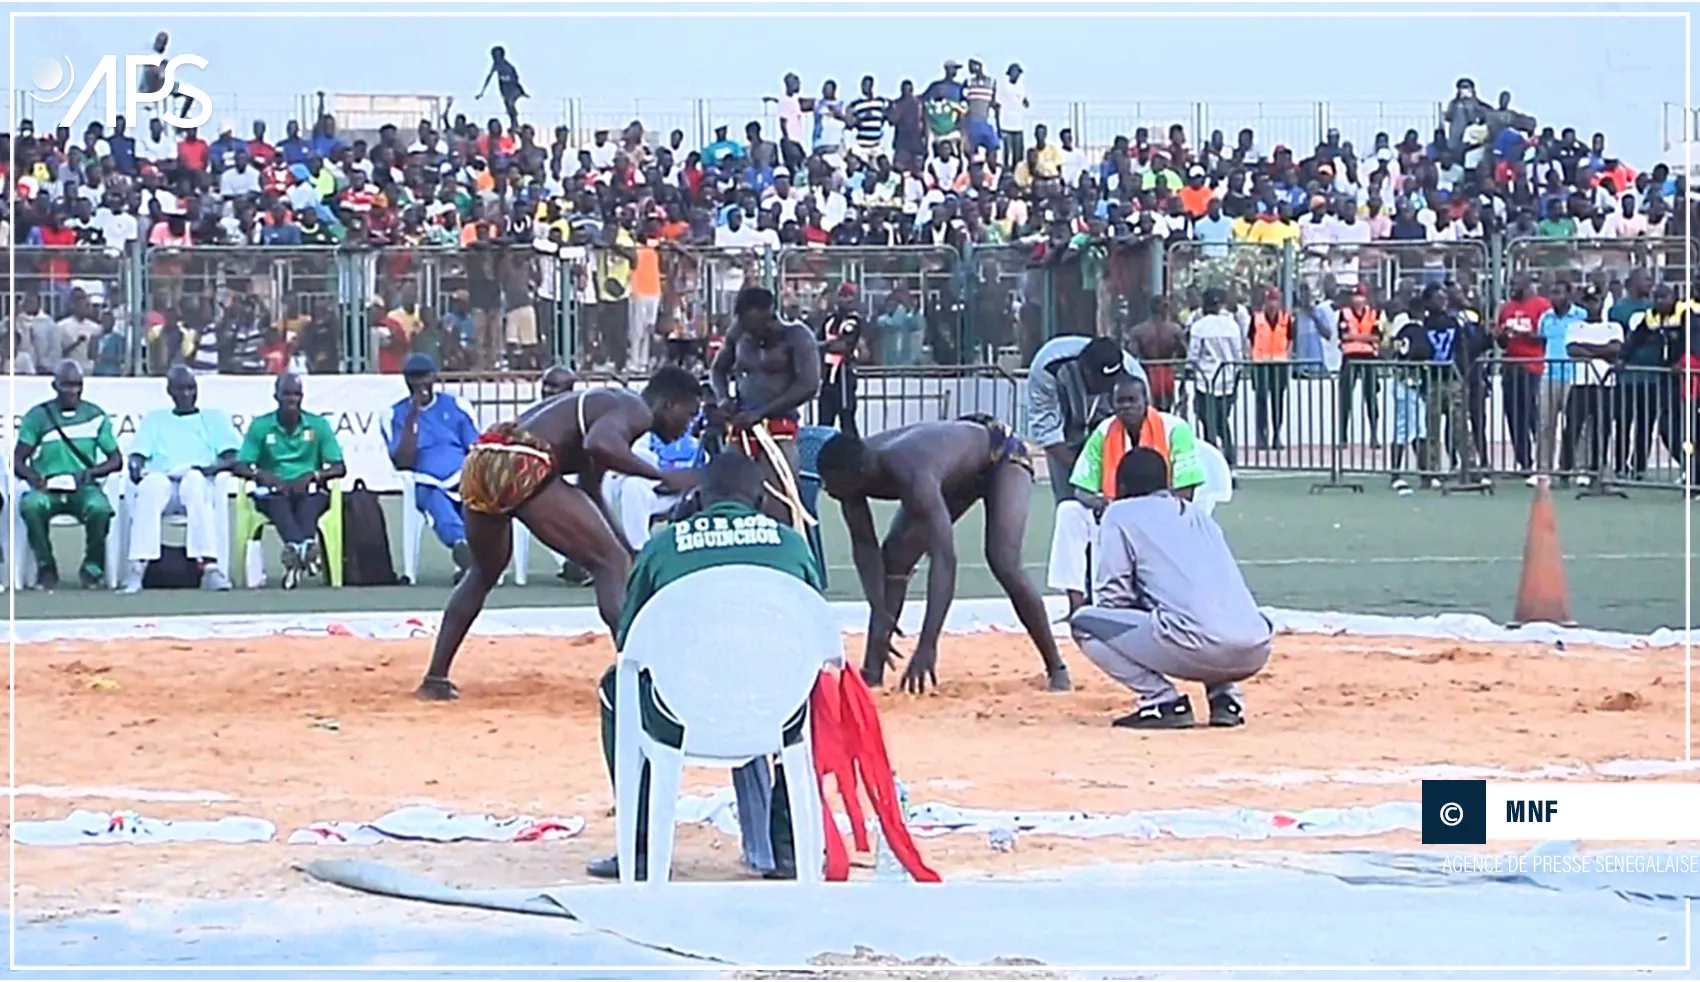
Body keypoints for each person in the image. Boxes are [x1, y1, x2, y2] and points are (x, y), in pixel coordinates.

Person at [584, 452, 819, 882]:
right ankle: (787, 845)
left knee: (617, 686)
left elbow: (630, 641)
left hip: (681, 712)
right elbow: (815, 632)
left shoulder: (663, 545)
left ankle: (640, 845)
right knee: (815, 687)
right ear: (762, 498)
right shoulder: (791, 544)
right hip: (776, 711)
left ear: (698, 496)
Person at [415, 368, 703, 701]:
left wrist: (625, 546)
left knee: (483, 572)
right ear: (670, 404)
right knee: (609, 564)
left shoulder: (606, 411)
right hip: (521, 461)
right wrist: (662, 475)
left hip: (482, 459)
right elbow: (601, 444)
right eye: (689, 414)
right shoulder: (633, 409)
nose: (688, 425)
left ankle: (435, 678)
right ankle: (638, 678)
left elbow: (590, 491)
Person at [817, 416, 1070, 693]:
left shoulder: (910, 471)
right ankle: (872, 672)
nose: (827, 490)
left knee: (1003, 559)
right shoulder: (847, 476)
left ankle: (1056, 667)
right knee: (895, 558)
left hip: (1000, 456)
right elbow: (865, 547)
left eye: (832, 485)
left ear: (859, 475)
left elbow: (944, 559)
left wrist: (928, 644)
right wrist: (880, 611)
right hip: (952, 471)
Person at [1070, 447, 1273, 729]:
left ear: (1121, 486)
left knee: (1084, 623)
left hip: (1195, 645)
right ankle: (1225, 698)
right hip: (1256, 646)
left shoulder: (1119, 514)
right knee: (1203, 606)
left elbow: (1113, 597)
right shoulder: (1198, 515)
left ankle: (1161, 700)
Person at [1027, 335, 1146, 616]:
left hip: (1113, 439)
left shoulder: (1132, 372)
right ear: (1085, 372)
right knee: (1073, 513)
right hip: (1065, 442)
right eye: (1102, 384)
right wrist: (1085, 476)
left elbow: (1142, 424)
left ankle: (1124, 595)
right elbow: (1046, 431)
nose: (1108, 389)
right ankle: (1079, 602)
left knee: (1122, 517)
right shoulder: (1047, 368)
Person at [707, 286, 821, 533]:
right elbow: (718, 370)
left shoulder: (797, 336)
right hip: (741, 428)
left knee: (778, 501)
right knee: (730, 494)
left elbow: (809, 385)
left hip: (778, 430)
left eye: (753, 325)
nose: (749, 332)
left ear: (770, 314)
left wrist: (762, 413)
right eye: (744, 325)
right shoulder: (738, 333)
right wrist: (724, 399)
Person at [121, 365, 240, 593]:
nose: (186, 395)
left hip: (197, 479)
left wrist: (209, 469)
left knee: (194, 483)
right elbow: (137, 454)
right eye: (180, 389)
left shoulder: (213, 419)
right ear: (170, 392)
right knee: (152, 486)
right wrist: (136, 468)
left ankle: (208, 566)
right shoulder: (155, 419)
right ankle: (138, 567)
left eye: (191, 389)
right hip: (163, 479)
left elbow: (233, 458)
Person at [15, 361, 122, 590]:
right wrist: (34, 478)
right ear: (54, 385)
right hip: (48, 487)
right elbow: (18, 461)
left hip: (84, 487)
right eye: (67, 385)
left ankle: (93, 568)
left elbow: (116, 460)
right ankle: (46, 567)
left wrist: (90, 473)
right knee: (31, 506)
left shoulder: (95, 415)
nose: (72, 391)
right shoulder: (37, 417)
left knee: (100, 508)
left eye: (77, 385)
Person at [234, 373, 348, 588]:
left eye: (296, 394)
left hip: (308, 488)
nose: (292, 400)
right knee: (278, 501)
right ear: (276, 396)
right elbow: (240, 465)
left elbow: (339, 467)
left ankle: (296, 549)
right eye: (286, 394)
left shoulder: (318, 425)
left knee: (310, 499)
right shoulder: (261, 426)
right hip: (273, 490)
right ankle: (304, 547)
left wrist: (313, 475)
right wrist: (263, 475)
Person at [385, 354, 482, 580]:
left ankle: (473, 561)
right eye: (413, 378)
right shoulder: (395, 414)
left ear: (434, 377)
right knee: (438, 504)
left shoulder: (456, 405)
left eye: (424, 377)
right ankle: (462, 547)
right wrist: (412, 417)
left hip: (462, 475)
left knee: (477, 502)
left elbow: (475, 447)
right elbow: (402, 461)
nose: (419, 383)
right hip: (426, 481)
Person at [1069, 376, 1205, 510]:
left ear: (1146, 401)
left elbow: (1186, 491)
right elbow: (1081, 490)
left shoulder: (1175, 429)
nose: (1126, 406)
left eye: (1132, 400)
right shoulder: (1103, 431)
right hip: (1116, 512)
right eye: (1120, 401)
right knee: (1068, 509)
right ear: (1112, 404)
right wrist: (1099, 503)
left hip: (1165, 511)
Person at [1187, 287, 1244, 467]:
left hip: (1206, 382)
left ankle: (1212, 465)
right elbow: (1238, 354)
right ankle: (1230, 463)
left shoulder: (1200, 326)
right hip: (1228, 381)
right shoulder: (1232, 325)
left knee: (1208, 424)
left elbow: (1193, 355)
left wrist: (1190, 370)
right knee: (1222, 423)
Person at [817, 282, 864, 437]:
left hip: (844, 377)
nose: (845, 300)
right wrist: (825, 345)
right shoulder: (830, 320)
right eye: (842, 296)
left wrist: (824, 345)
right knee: (824, 424)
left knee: (847, 422)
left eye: (849, 296)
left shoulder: (853, 321)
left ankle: (854, 457)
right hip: (828, 377)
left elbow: (843, 345)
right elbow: (817, 341)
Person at [477, 45, 527, 132]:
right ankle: (514, 125)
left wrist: (521, 91)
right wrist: (482, 92)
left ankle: (515, 124)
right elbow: (489, 77)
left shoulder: (507, 66)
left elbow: (515, 79)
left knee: (511, 105)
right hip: (505, 91)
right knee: (508, 107)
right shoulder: (496, 65)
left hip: (512, 89)